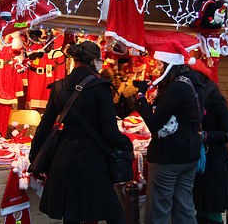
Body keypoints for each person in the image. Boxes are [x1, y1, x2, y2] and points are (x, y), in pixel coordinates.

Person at [29, 41, 133, 224]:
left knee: (72, 215)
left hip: (64, 158)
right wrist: (126, 142)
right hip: (93, 160)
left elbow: (44, 126)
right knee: (115, 215)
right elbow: (109, 132)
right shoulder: (101, 88)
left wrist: (34, 158)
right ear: (94, 61)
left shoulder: (58, 86)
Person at [135, 40, 203, 224]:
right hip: (189, 154)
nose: (156, 68)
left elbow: (155, 123)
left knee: (159, 209)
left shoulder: (176, 88)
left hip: (169, 156)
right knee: (184, 207)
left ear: (169, 64)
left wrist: (141, 99)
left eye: (159, 64)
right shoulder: (193, 82)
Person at [193, 70, 228, 224]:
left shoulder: (217, 101)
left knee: (212, 205)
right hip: (200, 161)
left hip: (215, 161)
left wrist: (204, 136)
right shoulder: (197, 102)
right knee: (201, 203)